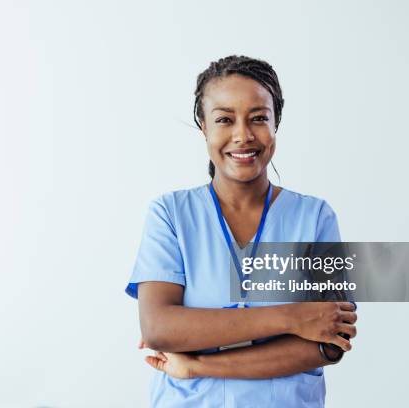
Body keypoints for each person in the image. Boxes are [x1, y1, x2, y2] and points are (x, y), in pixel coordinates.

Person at [125, 55, 357, 408]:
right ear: (203, 126)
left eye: (259, 118)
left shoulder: (314, 218)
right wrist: (292, 317)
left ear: (276, 122)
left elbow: (328, 343)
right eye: (224, 120)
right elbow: (159, 327)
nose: (243, 136)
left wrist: (198, 364)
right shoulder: (170, 214)